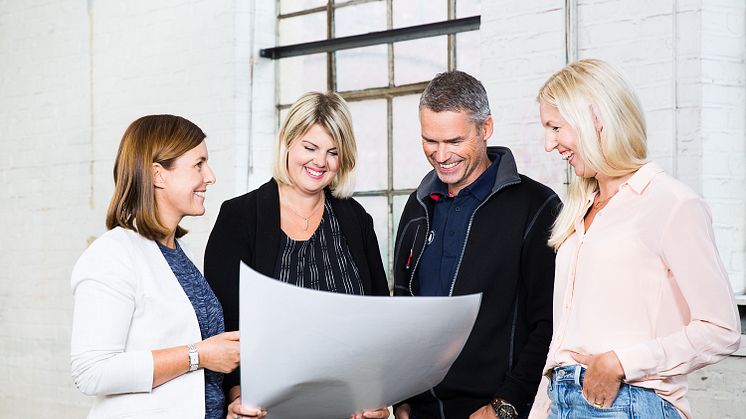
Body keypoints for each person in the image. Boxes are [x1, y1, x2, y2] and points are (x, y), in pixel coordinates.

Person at [528, 59, 741, 419]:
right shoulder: (578, 211)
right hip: (561, 400)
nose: (550, 144)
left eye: (555, 127)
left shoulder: (671, 203)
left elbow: (721, 329)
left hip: (626, 403)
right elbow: (562, 337)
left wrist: (621, 363)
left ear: (596, 120)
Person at [204, 91, 391, 419]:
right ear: (286, 142)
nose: (320, 162)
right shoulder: (240, 217)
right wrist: (238, 396)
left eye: (333, 152)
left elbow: (379, 316)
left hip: (348, 408)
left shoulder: (355, 220)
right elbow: (223, 323)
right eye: (310, 147)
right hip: (267, 408)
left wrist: (376, 396)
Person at [392, 71, 560, 419]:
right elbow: (402, 307)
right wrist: (399, 396)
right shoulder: (417, 206)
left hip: (491, 411)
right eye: (430, 141)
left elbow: (549, 322)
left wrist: (506, 405)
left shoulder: (536, 206)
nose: (441, 155)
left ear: (486, 128)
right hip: (419, 410)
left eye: (454, 141)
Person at [70, 115, 249, 419]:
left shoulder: (179, 253)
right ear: (158, 175)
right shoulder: (112, 255)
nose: (210, 177)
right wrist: (199, 355)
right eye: (199, 164)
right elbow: (91, 371)